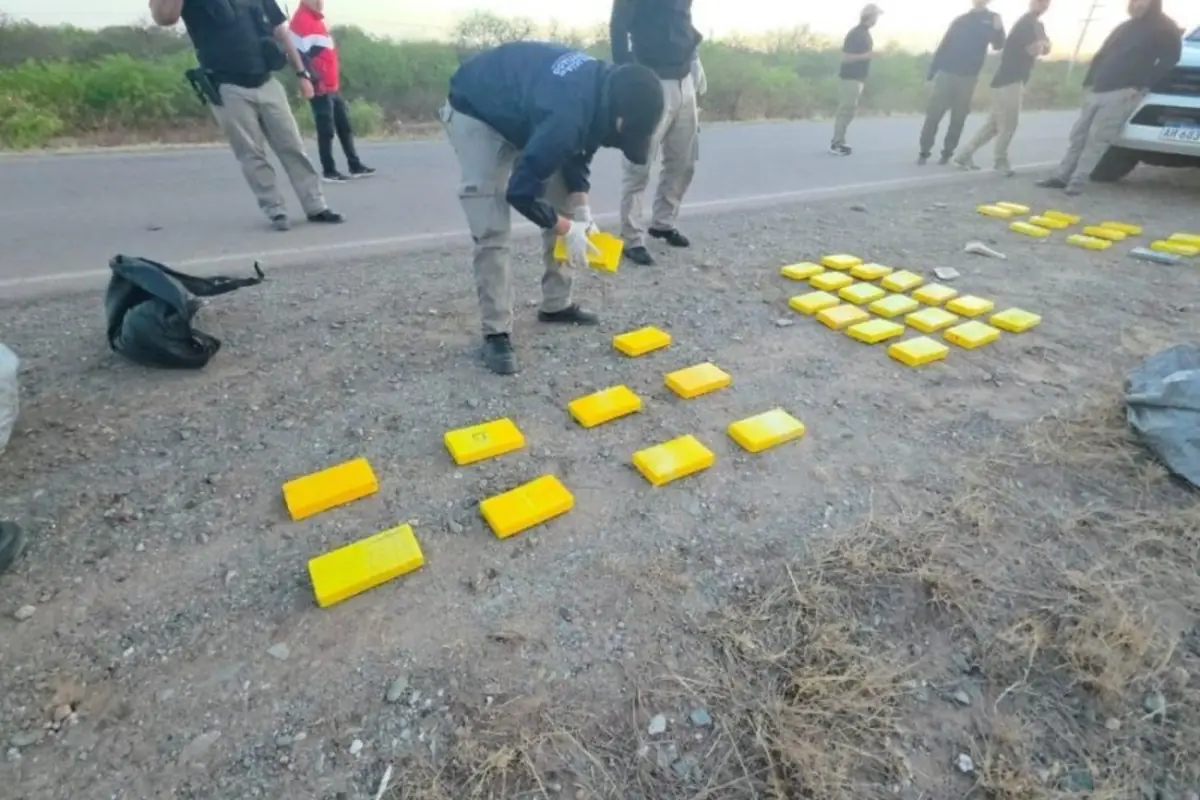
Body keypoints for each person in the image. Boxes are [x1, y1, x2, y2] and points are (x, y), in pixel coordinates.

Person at [440, 43, 664, 375]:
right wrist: (565, 229)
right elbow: (521, 194)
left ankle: (556, 305)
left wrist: (581, 211)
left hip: (529, 109)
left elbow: (579, 150)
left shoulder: (605, 89)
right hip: (478, 111)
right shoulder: (569, 112)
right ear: (620, 121)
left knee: (565, 205)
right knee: (492, 227)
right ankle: (496, 332)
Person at [149, 0, 344, 232]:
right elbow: (165, 18)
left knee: (292, 147)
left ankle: (316, 206)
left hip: (266, 80)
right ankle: (276, 209)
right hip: (227, 86)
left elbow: (280, 31)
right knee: (252, 154)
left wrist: (302, 73)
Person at [1036, 0, 1181, 196]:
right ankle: (1061, 176)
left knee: (1097, 138)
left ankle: (1078, 181)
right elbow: (1103, 53)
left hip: (1123, 92)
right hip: (1097, 89)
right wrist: (1088, 83)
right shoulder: (1125, 26)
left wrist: (1141, 85)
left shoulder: (1164, 28)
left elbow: (1170, 59)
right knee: (1078, 135)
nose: (1137, 4)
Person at [611, 0, 702, 267]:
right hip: (652, 81)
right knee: (639, 163)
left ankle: (663, 223)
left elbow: (683, 21)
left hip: (685, 80)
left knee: (684, 162)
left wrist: (695, 58)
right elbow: (618, 28)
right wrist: (628, 75)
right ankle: (631, 237)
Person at [953, 0, 1052, 176]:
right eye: (1039, 2)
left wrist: (1042, 45)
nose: (1043, 5)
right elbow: (1034, 50)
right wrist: (1041, 45)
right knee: (1009, 123)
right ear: (1032, 3)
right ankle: (1000, 160)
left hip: (1015, 79)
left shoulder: (1038, 25)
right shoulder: (1025, 24)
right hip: (1009, 79)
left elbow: (1046, 49)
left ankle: (964, 155)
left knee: (993, 124)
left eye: (1046, 2)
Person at [289, 0, 376, 182]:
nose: (320, 3)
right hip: (319, 86)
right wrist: (312, 80)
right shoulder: (301, 21)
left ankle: (354, 165)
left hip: (332, 86)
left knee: (344, 126)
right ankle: (329, 170)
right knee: (326, 129)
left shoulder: (318, 21)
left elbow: (326, 55)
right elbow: (299, 56)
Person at [919, 0, 1006, 166]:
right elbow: (944, 45)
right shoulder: (961, 20)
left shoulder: (992, 19)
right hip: (946, 74)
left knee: (958, 117)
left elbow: (999, 45)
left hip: (968, 77)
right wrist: (932, 72)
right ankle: (924, 151)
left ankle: (947, 152)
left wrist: (999, 29)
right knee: (933, 115)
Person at [831, 4, 884, 156]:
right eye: (876, 16)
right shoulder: (856, 34)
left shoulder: (864, 33)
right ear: (870, 16)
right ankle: (836, 143)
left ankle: (839, 141)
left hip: (858, 78)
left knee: (849, 111)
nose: (877, 20)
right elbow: (845, 58)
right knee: (846, 110)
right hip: (850, 78)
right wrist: (868, 55)